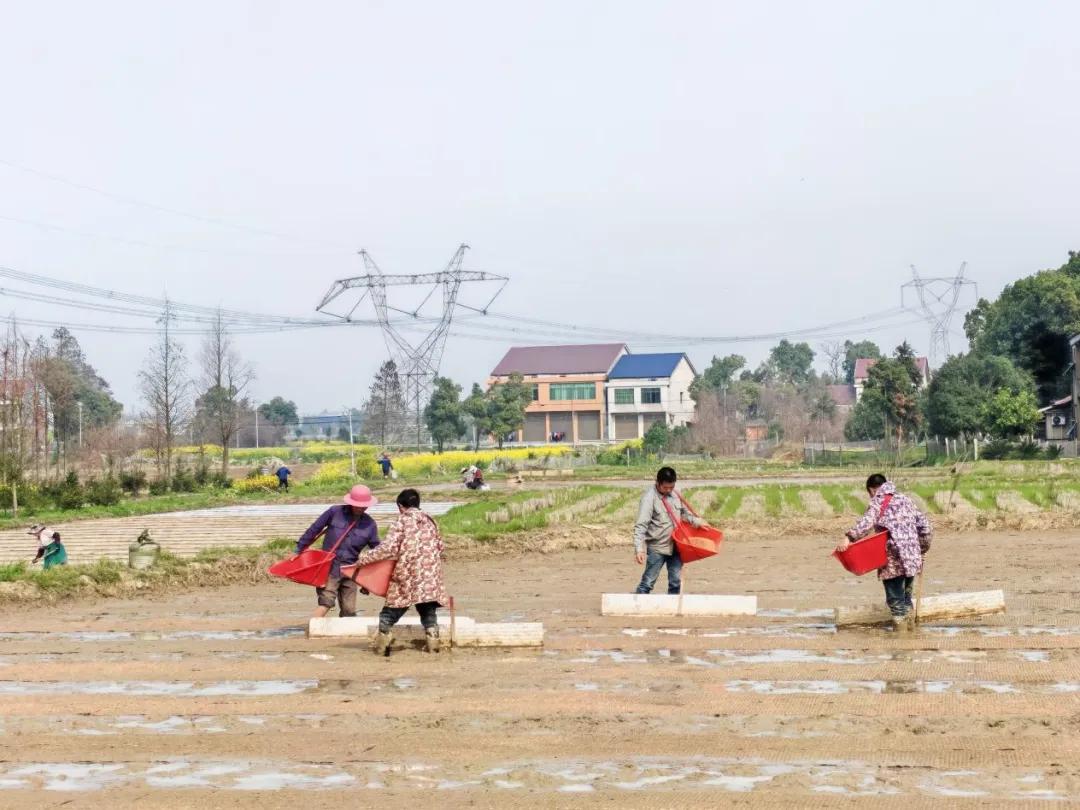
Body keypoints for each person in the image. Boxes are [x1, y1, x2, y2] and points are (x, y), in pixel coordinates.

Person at [352, 488, 449, 654]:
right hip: (430, 576)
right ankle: (433, 643)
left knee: (390, 611)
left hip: (408, 575)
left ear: (400, 506)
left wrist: (362, 560)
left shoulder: (401, 521)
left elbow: (388, 549)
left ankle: (382, 647)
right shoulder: (430, 521)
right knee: (427, 610)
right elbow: (440, 547)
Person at [837, 473, 933, 629]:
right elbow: (925, 527)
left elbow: (866, 523)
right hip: (912, 557)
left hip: (893, 559)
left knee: (895, 600)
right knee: (906, 598)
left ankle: (900, 640)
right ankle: (911, 636)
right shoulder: (906, 500)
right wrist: (922, 548)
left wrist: (848, 538)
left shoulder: (879, 501)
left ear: (872, 490)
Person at [295, 484, 380, 618]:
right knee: (326, 602)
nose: (360, 507)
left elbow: (377, 552)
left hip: (350, 570)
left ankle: (345, 636)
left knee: (349, 610)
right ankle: (310, 630)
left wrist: (368, 581)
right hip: (329, 568)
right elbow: (314, 530)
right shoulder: (334, 512)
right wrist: (298, 549)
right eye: (358, 504)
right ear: (350, 502)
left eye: (364, 505)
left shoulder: (370, 525)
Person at [632, 467, 710, 595]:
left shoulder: (676, 493)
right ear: (658, 483)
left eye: (671, 487)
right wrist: (639, 549)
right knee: (648, 581)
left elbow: (684, 513)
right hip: (658, 547)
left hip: (677, 545)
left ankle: (672, 606)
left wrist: (698, 522)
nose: (668, 490)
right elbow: (641, 525)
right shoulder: (648, 498)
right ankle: (637, 604)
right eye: (665, 488)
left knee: (675, 581)